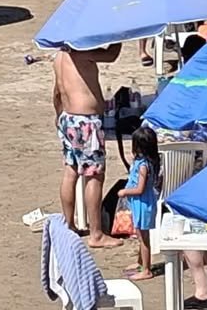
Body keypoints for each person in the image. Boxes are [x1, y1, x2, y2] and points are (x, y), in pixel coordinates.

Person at [52, 43, 124, 248]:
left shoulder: (59, 56)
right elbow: (111, 55)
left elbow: (57, 91)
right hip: (86, 121)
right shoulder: (80, 52)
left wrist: (58, 115)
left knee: (71, 171)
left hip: (68, 117)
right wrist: (120, 36)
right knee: (94, 176)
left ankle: (70, 224)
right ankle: (96, 234)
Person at [117, 126, 160, 281]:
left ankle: (146, 269)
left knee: (144, 238)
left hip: (143, 203)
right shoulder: (143, 161)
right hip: (139, 203)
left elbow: (140, 189)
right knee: (140, 235)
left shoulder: (143, 166)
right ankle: (140, 262)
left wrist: (124, 192)